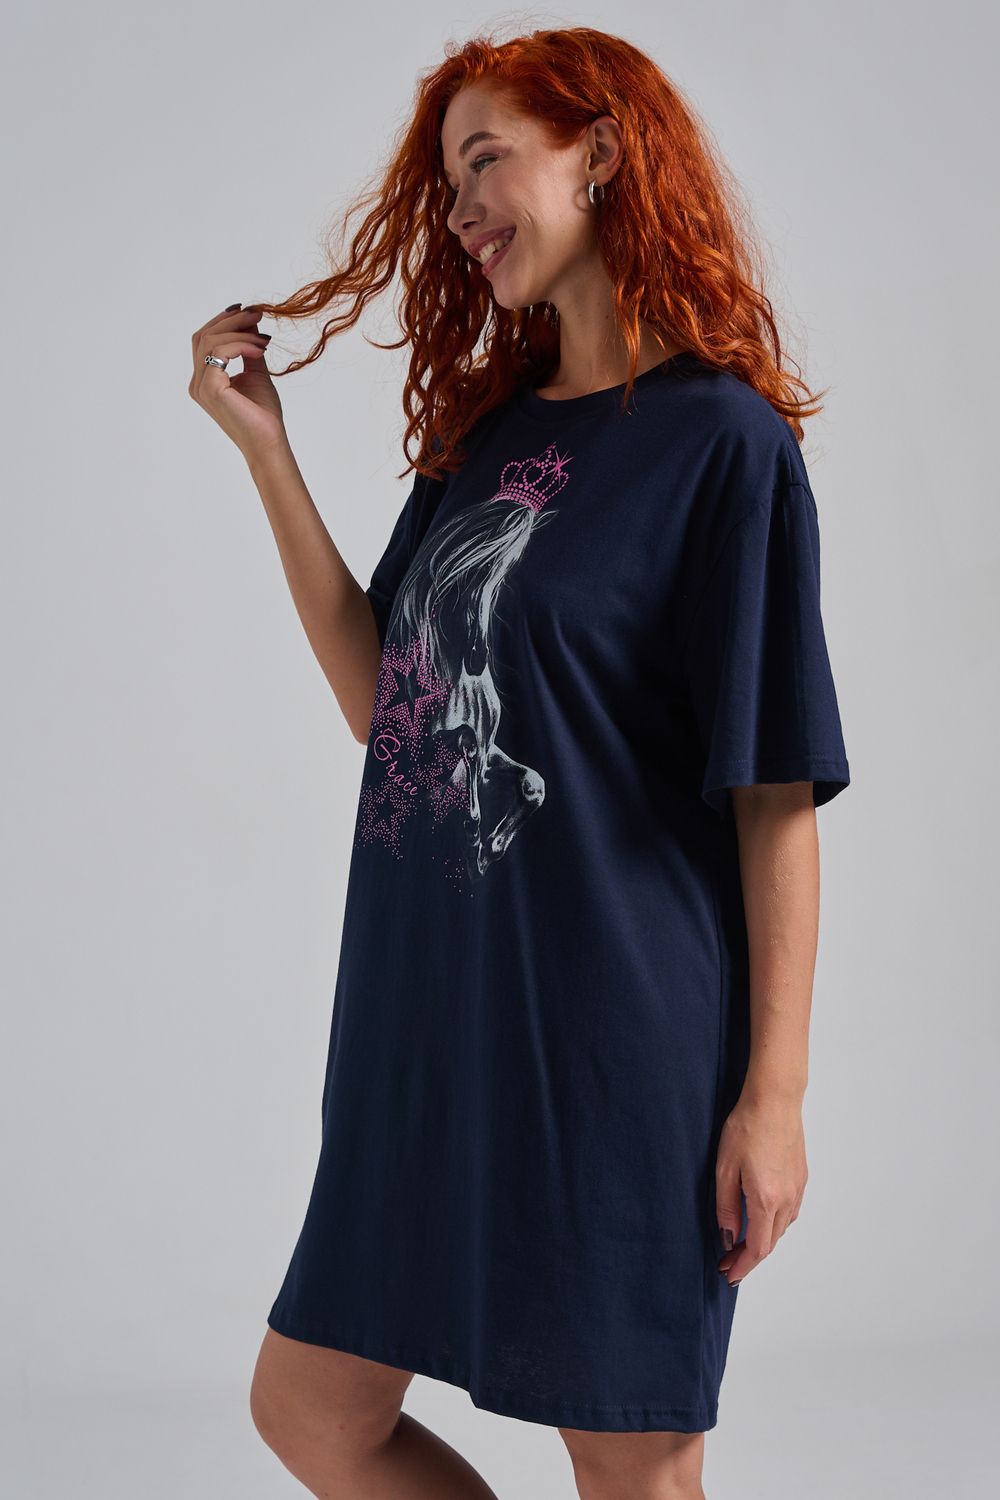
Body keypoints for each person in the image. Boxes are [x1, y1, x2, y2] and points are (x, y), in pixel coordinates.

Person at [189, 25, 850, 1500]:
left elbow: (775, 795)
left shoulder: (724, 446)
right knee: (313, 1411)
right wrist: (267, 455)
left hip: (610, 1045)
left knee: (633, 1471)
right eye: (447, 183)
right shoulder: (487, 436)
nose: (462, 209)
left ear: (600, 152)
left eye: (486, 160)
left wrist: (776, 1097)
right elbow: (388, 704)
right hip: (428, 1022)